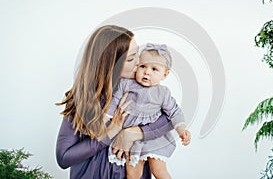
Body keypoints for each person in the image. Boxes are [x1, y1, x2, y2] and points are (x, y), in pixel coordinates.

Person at [55, 25, 176, 179]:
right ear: (111, 64)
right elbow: (64, 158)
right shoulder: (84, 98)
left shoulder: (143, 90)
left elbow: (171, 119)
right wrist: (111, 132)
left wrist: (131, 134)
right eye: (132, 58)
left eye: (137, 55)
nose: (140, 63)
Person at [106, 43, 191, 179]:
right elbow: (114, 101)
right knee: (132, 173)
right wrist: (106, 118)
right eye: (143, 66)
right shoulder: (126, 84)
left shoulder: (162, 93)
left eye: (154, 69)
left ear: (165, 74)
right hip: (132, 142)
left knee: (158, 170)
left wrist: (181, 130)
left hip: (153, 139)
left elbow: (174, 112)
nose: (147, 72)